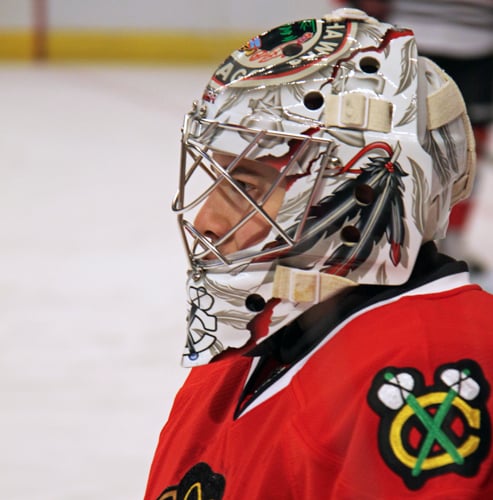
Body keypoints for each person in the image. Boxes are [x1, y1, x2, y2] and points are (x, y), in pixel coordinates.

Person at [145, 8, 493, 499]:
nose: (207, 220)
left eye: (245, 187)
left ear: (363, 191)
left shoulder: (429, 366)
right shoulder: (248, 344)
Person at [334, 0, 493, 268]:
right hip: (403, 35)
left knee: (468, 147)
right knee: (388, 139)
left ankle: (449, 239)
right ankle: (379, 233)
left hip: (479, 44)